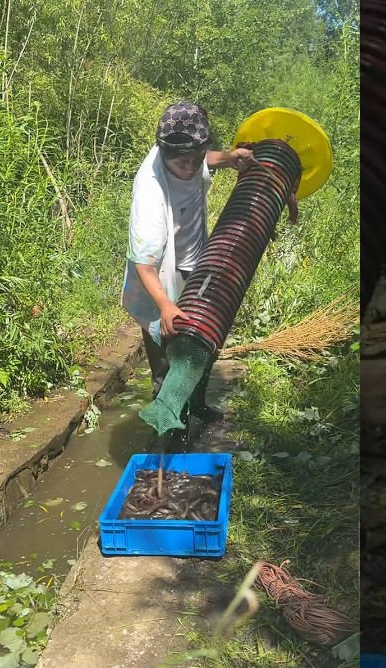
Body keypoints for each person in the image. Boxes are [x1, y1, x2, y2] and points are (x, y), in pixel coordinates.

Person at [120, 101, 255, 428]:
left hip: (195, 263)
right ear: (164, 155)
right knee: (168, 358)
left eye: (198, 158)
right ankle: (165, 435)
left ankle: (196, 404)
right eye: (184, 163)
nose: (193, 168)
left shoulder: (188, 156)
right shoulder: (151, 195)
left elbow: (202, 158)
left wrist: (227, 157)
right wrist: (166, 306)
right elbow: (144, 264)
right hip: (158, 283)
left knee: (202, 340)